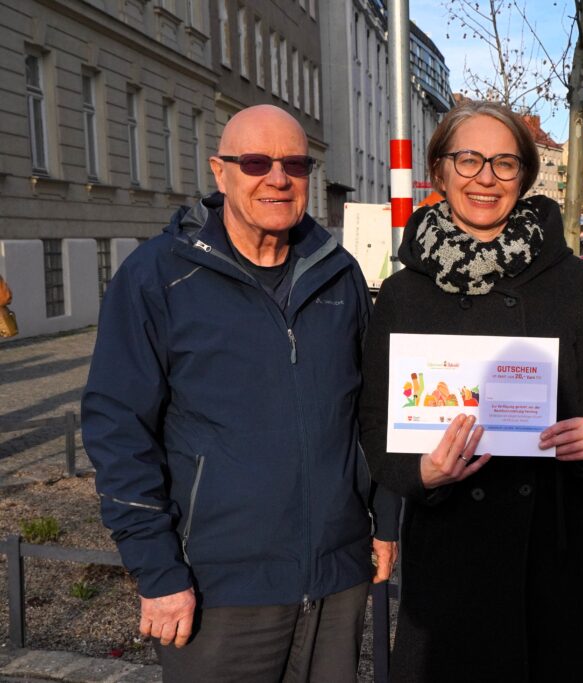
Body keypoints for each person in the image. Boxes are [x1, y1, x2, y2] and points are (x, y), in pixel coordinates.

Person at [81, 105, 399, 683]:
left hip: (336, 580)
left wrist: (384, 520)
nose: (277, 178)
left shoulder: (338, 272)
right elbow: (118, 430)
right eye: (255, 162)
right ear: (219, 171)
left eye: (295, 164)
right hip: (217, 588)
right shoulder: (159, 276)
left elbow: (369, 408)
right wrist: (157, 570)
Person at [358, 100, 583, 682]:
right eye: (468, 160)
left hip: (557, 547)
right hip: (451, 549)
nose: (485, 178)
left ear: (524, 176)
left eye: (504, 163)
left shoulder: (568, 277)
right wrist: (420, 473)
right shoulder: (404, 292)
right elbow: (375, 424)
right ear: (439, 171)